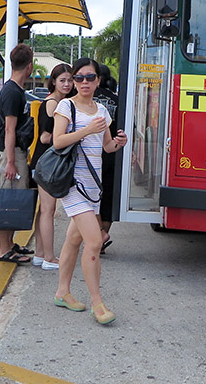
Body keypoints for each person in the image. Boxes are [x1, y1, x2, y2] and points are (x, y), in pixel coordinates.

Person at [52, 58, 127, 325]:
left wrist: (118, 143)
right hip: (73, 183)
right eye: (79, 77)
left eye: (90, 77)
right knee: (94, 241)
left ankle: (62, 292)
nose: (84, 82)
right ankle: (98, 303)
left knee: (74, 239)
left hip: (93, 185)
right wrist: (86, 130)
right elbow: (58, 141)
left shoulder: (102, 110)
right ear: (73, 81)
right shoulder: (66, 106)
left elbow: (106, 147)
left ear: (98, 81)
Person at [0, 43, 35, 264]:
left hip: (15, 151)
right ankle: (3, 249)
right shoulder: (12, 92)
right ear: (29, 67)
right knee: (7, 200)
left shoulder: (16, 90)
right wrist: (11, 162)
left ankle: (10, 244)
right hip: (9, 152)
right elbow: (9, 129)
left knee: (14, 199)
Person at [28, 63, 73, 270]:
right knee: (48, 210)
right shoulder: (54, 103)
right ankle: (49, 257)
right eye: (62, 80)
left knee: (44, 210)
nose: (67, 84)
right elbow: (46, 138)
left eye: (70, 80)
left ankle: (40, 254)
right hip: (47, 163)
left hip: (42, 162)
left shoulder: (57, 101)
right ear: (53, 81)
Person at [93, 63, 119, 254]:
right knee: (107, 196)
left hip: (91, 154)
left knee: (90, 197)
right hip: (111, 153)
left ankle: (97, 236)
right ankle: (101, 237)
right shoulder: (116, 100)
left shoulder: (86, 99)